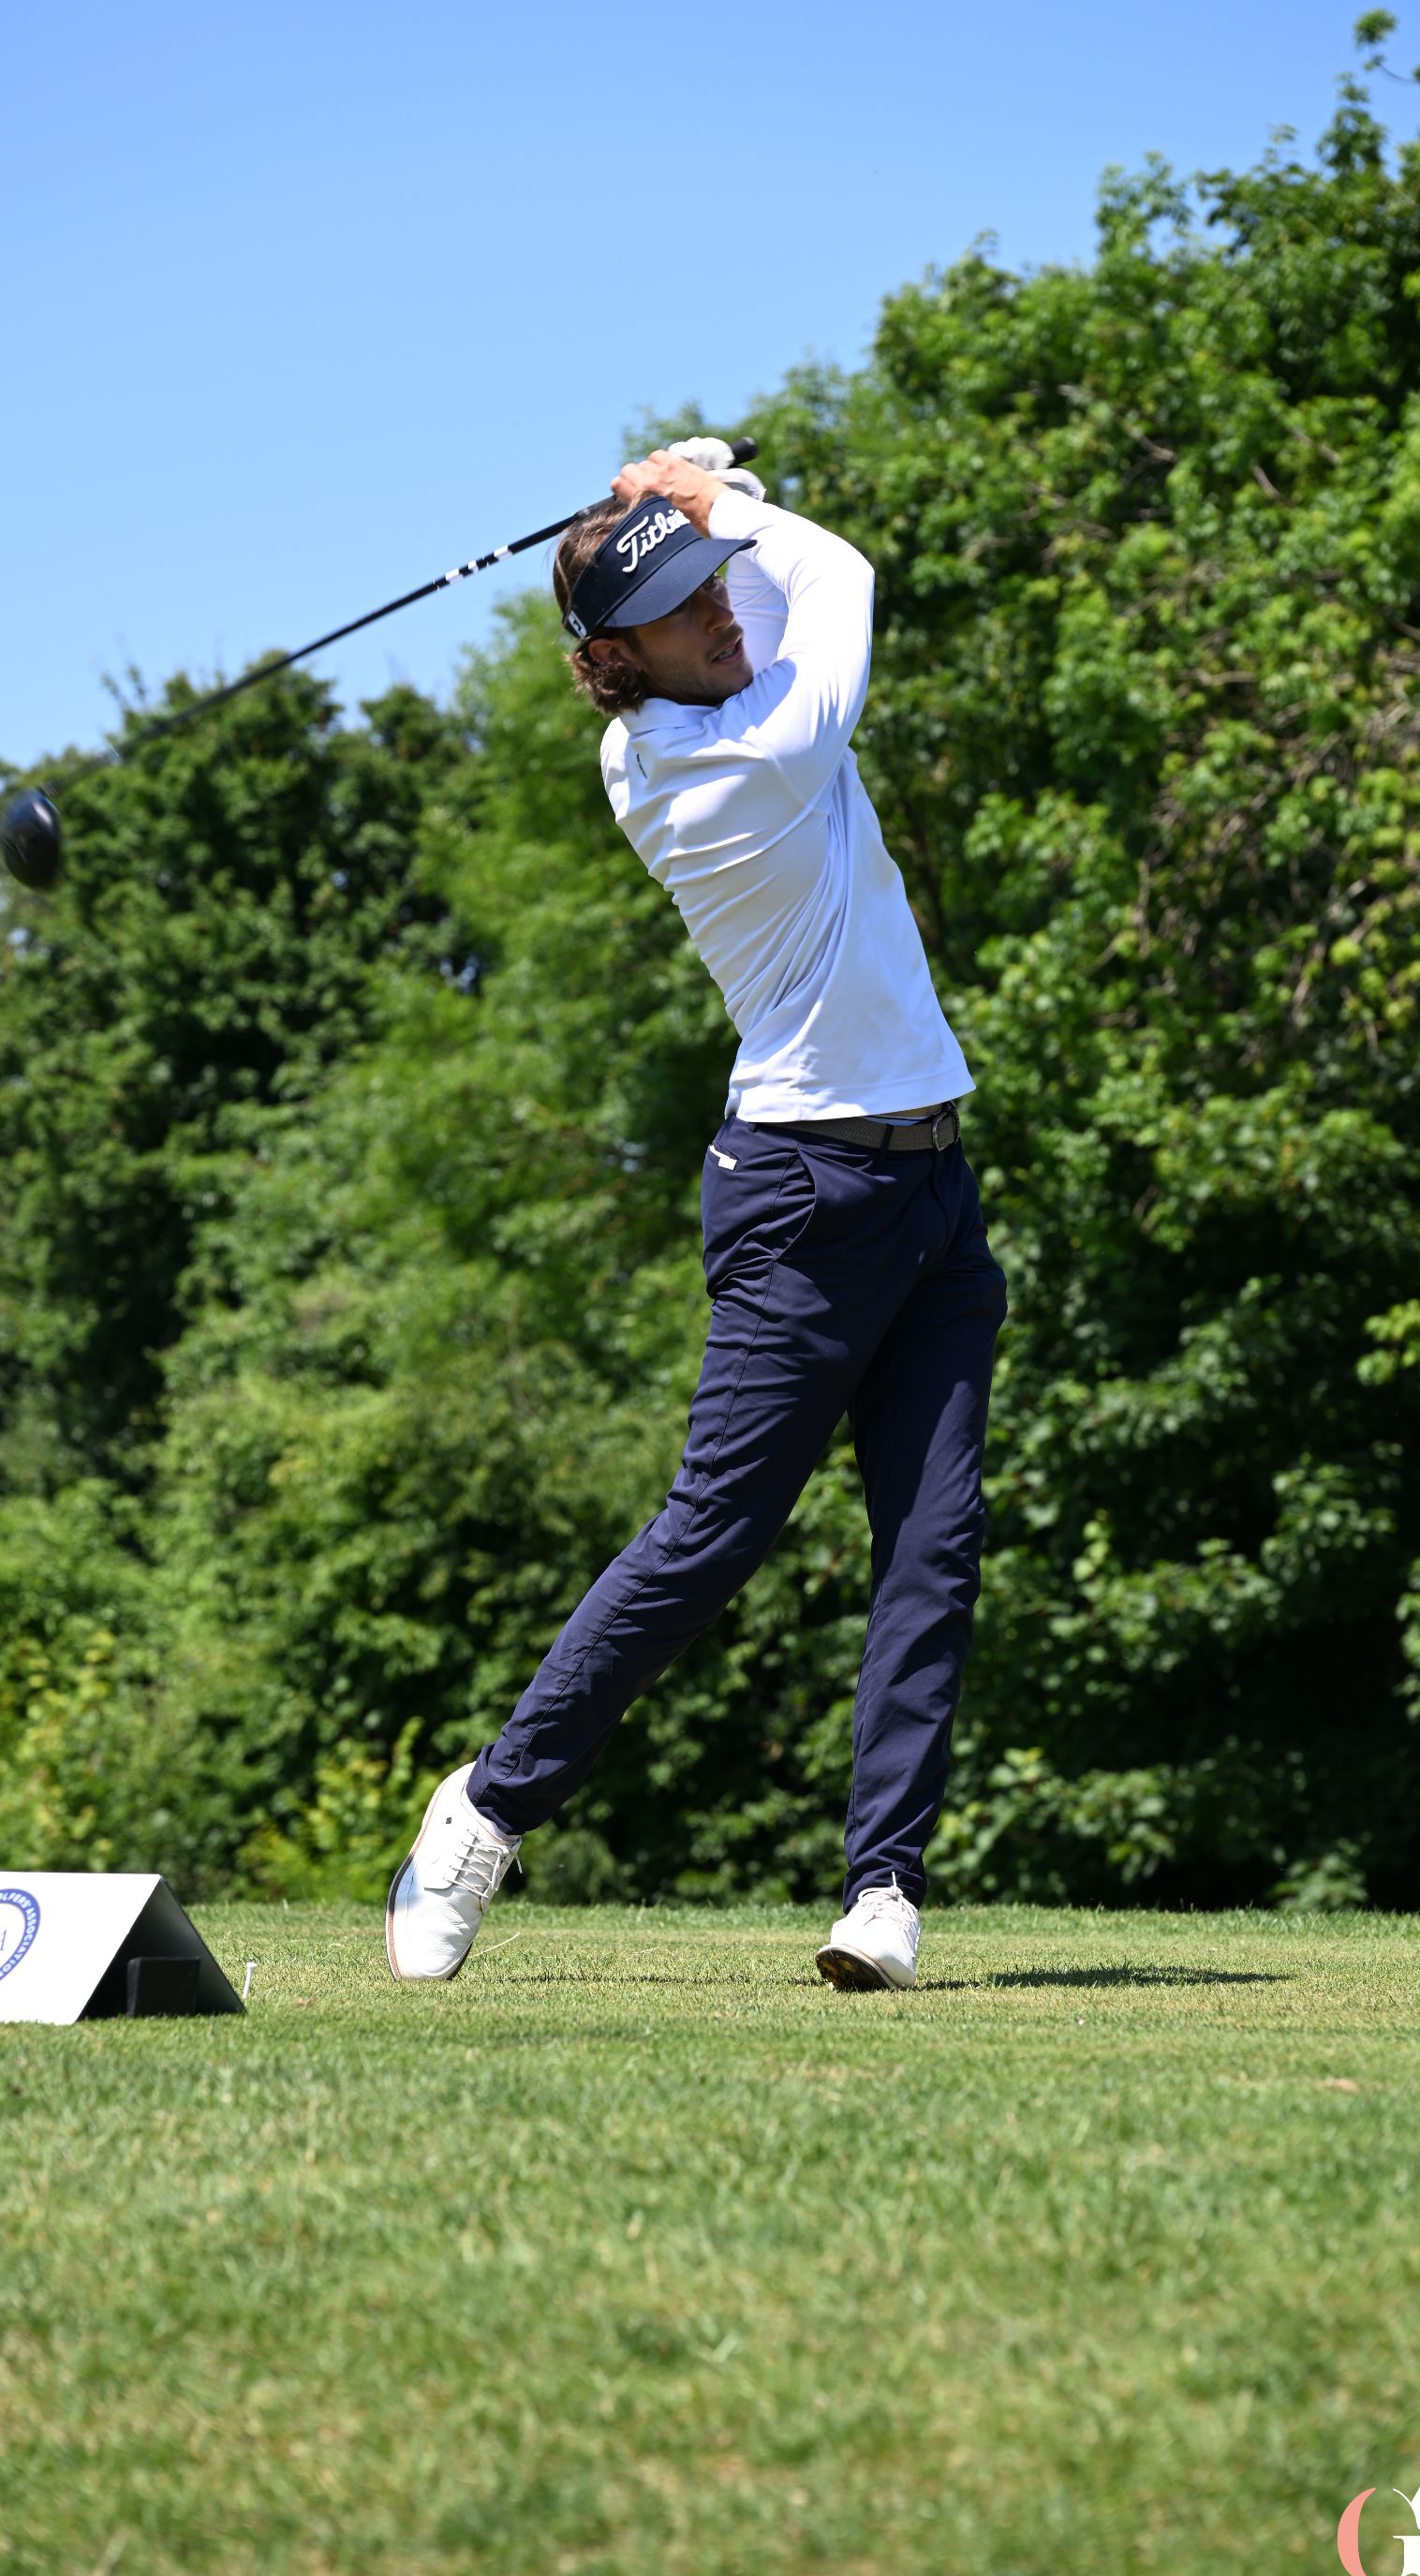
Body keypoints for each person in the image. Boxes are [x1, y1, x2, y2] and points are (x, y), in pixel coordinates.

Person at [386, 437, 1006, 1991]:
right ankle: (486, 1807)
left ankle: (884, 1891)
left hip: (931, 1181)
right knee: (714, 1535)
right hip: (805, 1199)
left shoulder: (722, 682)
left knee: (934, 1545)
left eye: (715, 588)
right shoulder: (729, 762)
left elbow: (773, 594)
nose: (720, 610)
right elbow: (836, 575)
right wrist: (716, 497)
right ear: (617, 661)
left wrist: (688, 506)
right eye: (681, 605)